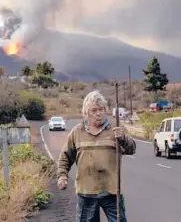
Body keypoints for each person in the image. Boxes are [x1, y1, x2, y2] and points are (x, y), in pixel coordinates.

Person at [57, 90, 136, 222]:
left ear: (106, 110)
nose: (99, 113)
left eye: (101, 109)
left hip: (111, 191)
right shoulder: (77, 132)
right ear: (86, 113)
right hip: (86, 191)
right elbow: (65, 156)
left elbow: (131, 148)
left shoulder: (116, 128)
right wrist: (62, 176)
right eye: (94, 110)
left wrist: (122, 138)